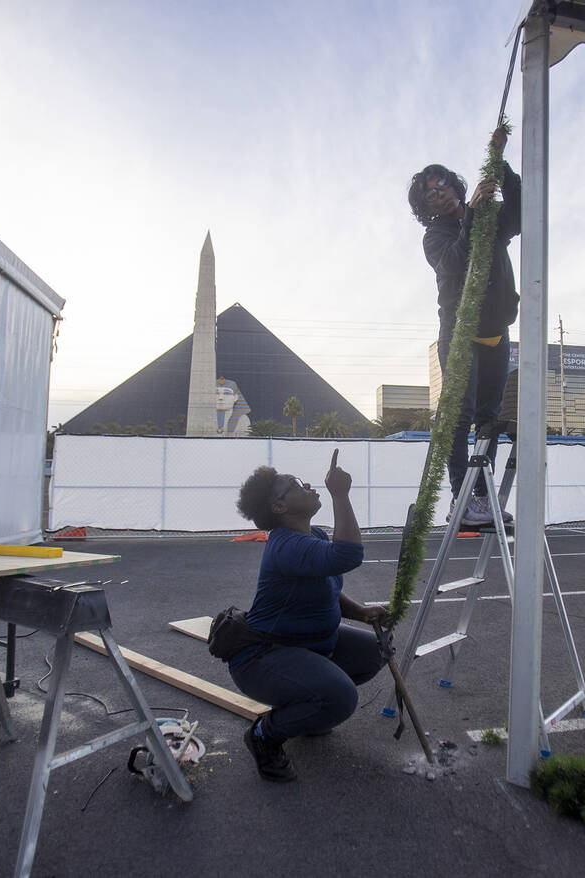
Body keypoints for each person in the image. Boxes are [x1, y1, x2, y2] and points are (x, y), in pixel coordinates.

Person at [230, 449, 387, 782]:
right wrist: (341, 494)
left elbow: (327, 585)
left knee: (374, 652)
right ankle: (264, 735)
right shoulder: (286, 545)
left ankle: (309, 709)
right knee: (342, 697)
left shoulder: (311, 536)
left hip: (308, 646)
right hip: (264, 657)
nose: (309, 485)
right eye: (297, 484)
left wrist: (359, 612)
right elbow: (347, 555)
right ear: (279, 507)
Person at [408, 127, 521, 527]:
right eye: (429, 193)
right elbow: (455, 264)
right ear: (426, 206)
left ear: (454, 185)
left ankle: (481, 496)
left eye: (441, 184)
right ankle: (461, 499)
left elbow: (521, 210)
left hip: (497, 333)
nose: (438, 192)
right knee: (459, 415)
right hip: (459, 335)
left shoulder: (489, 217)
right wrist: (472, 210)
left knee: (489, 418)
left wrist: (500, 164)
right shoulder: (434, 236)